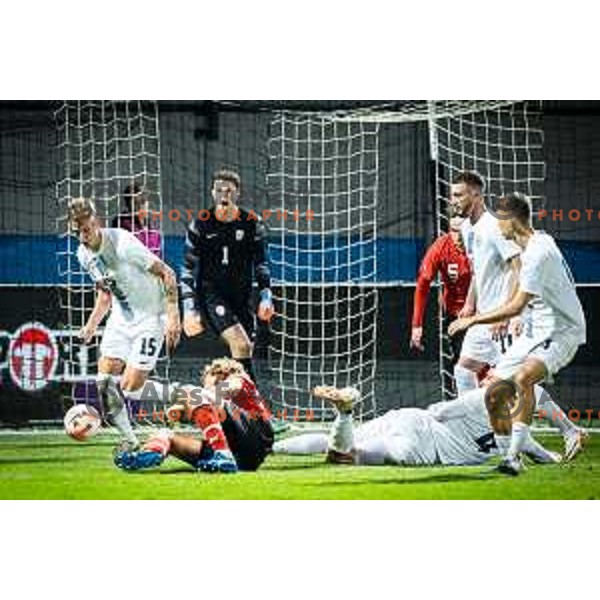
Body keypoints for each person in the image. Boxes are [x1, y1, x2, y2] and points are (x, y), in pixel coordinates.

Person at [449, 192, 588, 475]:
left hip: (562, 330)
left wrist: (473, 319)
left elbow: (516, 304)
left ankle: (513, 458)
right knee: (494, 395)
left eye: (500, 218)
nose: (496, 224)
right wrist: (520, 316)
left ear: (512, 220)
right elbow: (525, 295)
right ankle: (521, 452)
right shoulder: (535, 243)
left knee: (524, 378)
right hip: (535, 329)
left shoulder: (538, 252)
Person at [70, 197, 181, 450]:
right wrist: (90, 326)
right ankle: (130, 442)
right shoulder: (83, 254)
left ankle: (189, 396)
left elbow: (167, 273)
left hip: (151, 316)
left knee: (130, 388)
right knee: (105, 381)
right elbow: (105, 294)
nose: (83, 237)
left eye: (86, 230)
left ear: (96, 223)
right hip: (121, 317)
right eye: (78, 233)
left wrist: (173, 315)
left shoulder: (123, 243)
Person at [273, 384, 561, 467]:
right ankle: (345, 413)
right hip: (422, 449)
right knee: (349, 455)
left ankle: (270, 447)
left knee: (329, 440)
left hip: (412, 419)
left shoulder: (478, 399)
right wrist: (556, 455)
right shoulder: (518, 436)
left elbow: (440, 411)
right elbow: (543, 455)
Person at [180, 169, 274, 384]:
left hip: (242, 296)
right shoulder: (201, 223)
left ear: (237, 193)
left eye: (230, 190)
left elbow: (261, 263)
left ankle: (224, 401)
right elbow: (187, 268)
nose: (225, 195)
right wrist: (188, 309)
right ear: (213, 193)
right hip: (212, 296)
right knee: (240, 344)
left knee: (242, 352)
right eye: (220, 190)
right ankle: (254, 408)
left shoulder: (251, 222)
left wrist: (266, 296)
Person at [114, 358, 274, 473]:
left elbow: (229, 388)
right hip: (241, 459)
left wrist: (192, 396)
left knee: (191, 391)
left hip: (254, 436)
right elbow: (206, 411)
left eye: (208, 381)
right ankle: (149, 454)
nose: (205, 386)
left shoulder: (240, 379)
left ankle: (222, 455)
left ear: (220, 374)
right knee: (165, 434)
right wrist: (183, 413)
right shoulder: (215, 403)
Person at [449, 171, 522, 396]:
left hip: (502, 318)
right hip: (482, 317)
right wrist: (470, 304)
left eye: (459, 195)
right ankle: (474, 427)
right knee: (463, 370)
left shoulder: (495, 226)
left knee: (517, 382)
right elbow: (477, 271)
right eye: (452, 195)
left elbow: (519, 268)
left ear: (477, 196)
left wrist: (508, 313)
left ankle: (566, 428)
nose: (454, 200)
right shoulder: (467, 228)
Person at [410, 214, 471, 397]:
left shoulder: (481, 245)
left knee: (496, 369)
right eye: (454, 231)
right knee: (463, 366)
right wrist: (416, 325)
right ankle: (469, 409)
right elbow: (423, 284)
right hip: (457, 316)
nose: (458, 236)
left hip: (487, 315)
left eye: (462, 231)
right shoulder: (440, 247)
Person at [111, 182, 162, 257]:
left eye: (143, 201)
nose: (141, 206)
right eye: (135, 202)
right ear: (128, 205)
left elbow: (158, 255)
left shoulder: (154, 228)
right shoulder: (121, 223)